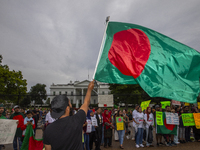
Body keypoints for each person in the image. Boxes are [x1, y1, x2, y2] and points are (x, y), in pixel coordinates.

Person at [43, 80, 94, 150]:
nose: (71, 106)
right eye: (70, 104)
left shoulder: (48, 129)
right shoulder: (77, 120)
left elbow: (47, 149)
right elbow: (86, 103)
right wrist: (89, 89)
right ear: (67, 108)